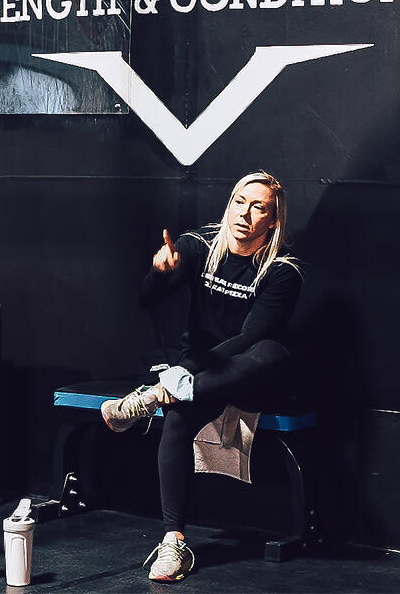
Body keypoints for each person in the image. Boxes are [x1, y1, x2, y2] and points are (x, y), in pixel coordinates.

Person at [99, 171, 302, 582]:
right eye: (239, 202)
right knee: (178, 416)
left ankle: (152, 397)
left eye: (258, 207)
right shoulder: (198, 246)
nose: (245, 213)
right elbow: (147, 299)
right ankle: (174, 543)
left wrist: (181, 378)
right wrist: (159, 273)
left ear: (273, 220)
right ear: (229, 204)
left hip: (248, 373)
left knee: (271, 351)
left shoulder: (283, 270)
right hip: (199, 373)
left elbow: (251, 337)